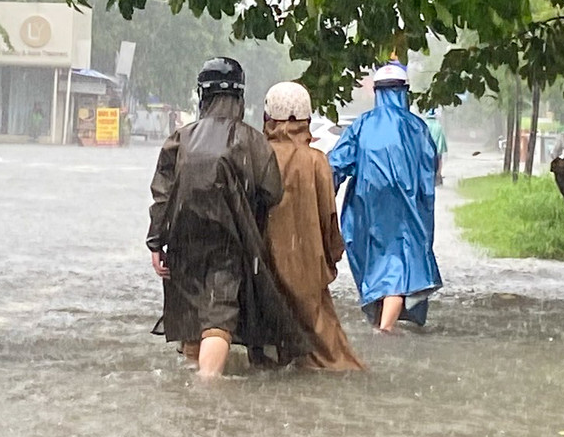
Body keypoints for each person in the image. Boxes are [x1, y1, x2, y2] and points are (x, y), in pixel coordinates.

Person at [146, 57, 307, 379]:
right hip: (230, 236)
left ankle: (193, 381)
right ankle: (210, 391)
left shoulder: (180, 138)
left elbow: (162, 194)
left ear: (202, 95)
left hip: (182, 236)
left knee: (191, 313)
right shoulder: (250, 140)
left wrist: (155, 243)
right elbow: (272, 192)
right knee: (219, 314)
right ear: (240, 98)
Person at [328, 62, 442, 332]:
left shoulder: (362, 125)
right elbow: (430, 171)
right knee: (400, 262)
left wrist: (321, 199)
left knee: (379, 263)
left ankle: (384, 326)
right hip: (408, 205)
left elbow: (335, 165)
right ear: (405, 92)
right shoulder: (418, 127)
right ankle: (385, 331)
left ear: (377, 92)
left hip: (368, 207)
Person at [261, 81, 364, 371]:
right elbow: (329, 221)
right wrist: (328, 258)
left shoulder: (257, 156)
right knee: (332, 359)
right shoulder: (318, 162)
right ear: (306, 119)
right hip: (308, 272)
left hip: (262, 272)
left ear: (268, 118)